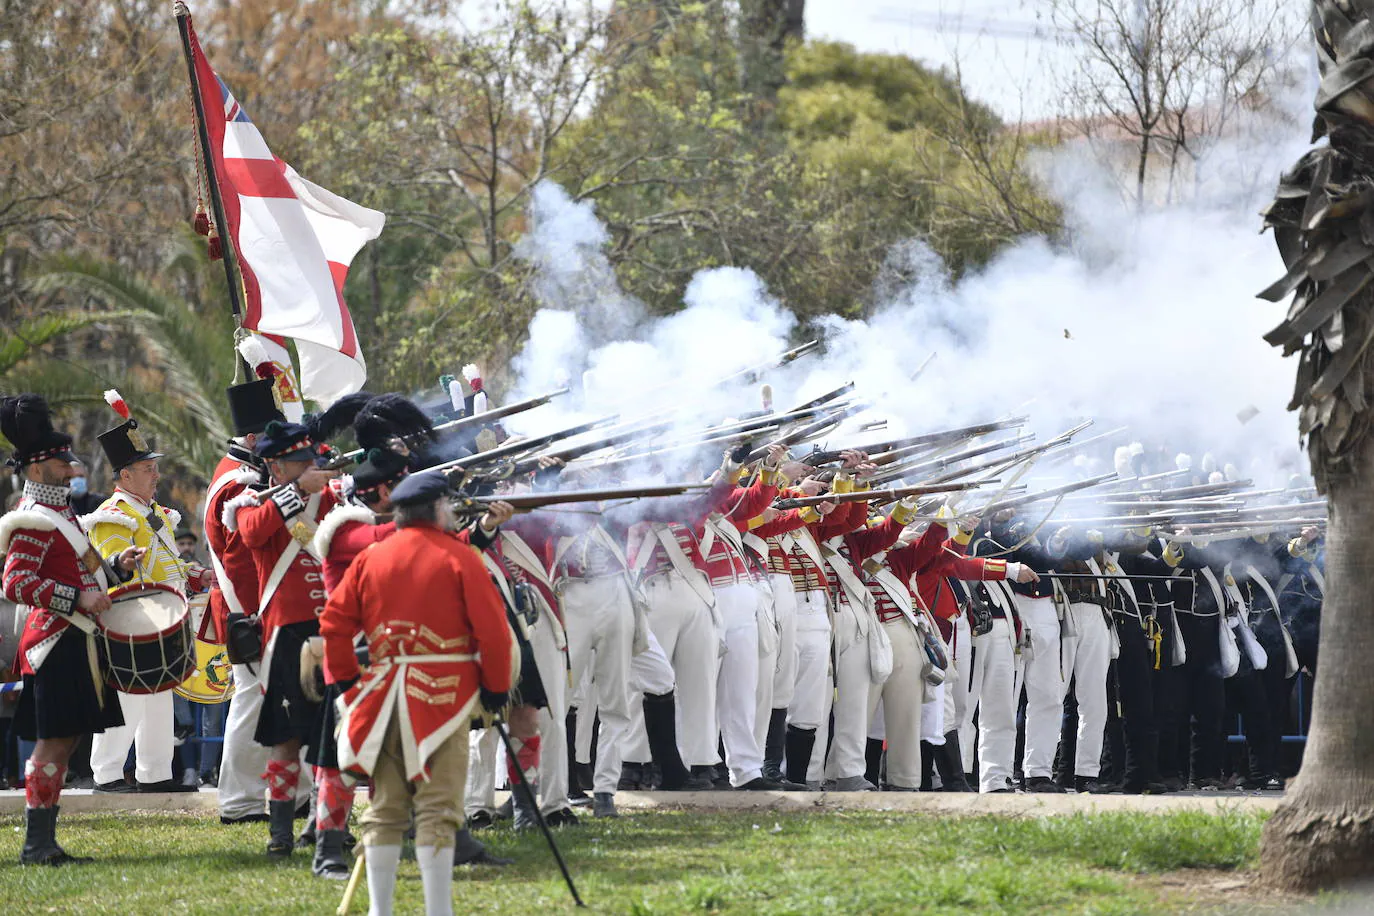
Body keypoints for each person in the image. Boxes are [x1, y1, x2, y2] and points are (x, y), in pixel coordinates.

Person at [321, 470, 515, 916]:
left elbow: (333, 624)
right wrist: (495, 689)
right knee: (438, 809)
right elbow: (493, 633)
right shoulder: (460, 556)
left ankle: (381, 911)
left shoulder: (372, 557)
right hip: (444, 699)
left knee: (385, 809)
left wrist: (350, 684)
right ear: (439, 509)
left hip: (381, 696)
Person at [0, 394, 141, 864]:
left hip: (76, 639)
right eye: (62, 463)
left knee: (68, 740)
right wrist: (77, 599)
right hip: (56, 640)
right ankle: (36, 843)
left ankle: (46, 839)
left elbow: (82, 571)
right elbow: (16, 582)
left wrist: (116, 567)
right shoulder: (33, 520)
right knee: (54, 741)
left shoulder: (61, 515)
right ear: (37, 471)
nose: (71, 468)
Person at [86, 392, 212, 793]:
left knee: (159, 699)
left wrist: (194, 576)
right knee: (127, 700)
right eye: (146, 468)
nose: (156, 475)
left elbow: (168, 562)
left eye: (154, 467)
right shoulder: (114, 516)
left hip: (165, 616)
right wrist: (123, 558)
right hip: (132, 617)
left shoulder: (156, 514)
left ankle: (155, 774)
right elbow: (110, 565)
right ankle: (106, 774)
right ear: (125, 476)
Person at [204, 378, 289, 825]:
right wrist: (260, 612)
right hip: (249, 608)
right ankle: (239, 800)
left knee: (265, 697)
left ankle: (270, 792)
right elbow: (241, 560)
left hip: (256, 607)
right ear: (255, 438)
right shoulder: (238, 484)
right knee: (251, 699)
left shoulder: (246, 474)